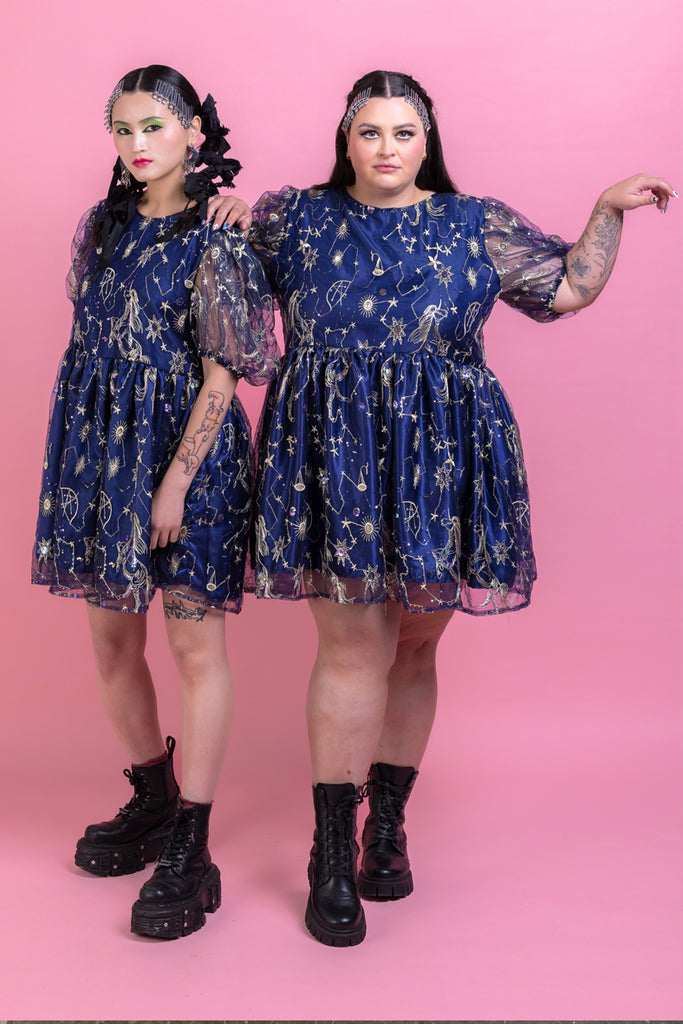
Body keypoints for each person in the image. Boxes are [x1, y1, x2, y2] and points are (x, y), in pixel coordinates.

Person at [212, 68, 676, 947]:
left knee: (416, 645)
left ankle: (385, 827)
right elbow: (224, 300)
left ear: (427, 141)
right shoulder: (293, 219)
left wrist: (605, 211)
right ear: (346, 140)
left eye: (404, 132)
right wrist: (224, 218)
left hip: (443, 458)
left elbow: (566, 288)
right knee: (352, 647)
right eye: (370, 132)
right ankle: (330, 854)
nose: (386, 148)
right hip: (334, 459)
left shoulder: (474, 222)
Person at [31, 65, 279, 939]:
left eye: (156, 126)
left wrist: (174, 480)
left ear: (192, 133)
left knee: (193, 647)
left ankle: (193, 847)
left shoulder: (218, 238)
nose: (139, 144)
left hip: (188, 464)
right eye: (124, 129)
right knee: (110, 641)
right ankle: (153, 797)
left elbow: (224, 372)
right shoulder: (100, 227)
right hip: (104, 457)